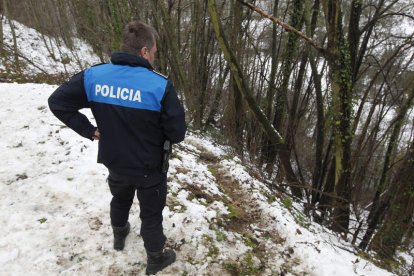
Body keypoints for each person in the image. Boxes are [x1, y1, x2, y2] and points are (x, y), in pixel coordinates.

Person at [48, 20, 186, 275]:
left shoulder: (93, 76)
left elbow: (57, 102)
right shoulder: (159, 85)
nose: (154, 57)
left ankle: (119, 234)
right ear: (144, 51)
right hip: (149, 166)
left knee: (120, 198)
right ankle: (156, 257)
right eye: (154, 52)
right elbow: (177, 133)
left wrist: (89, 130)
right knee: (151, 214)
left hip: (114, 160)